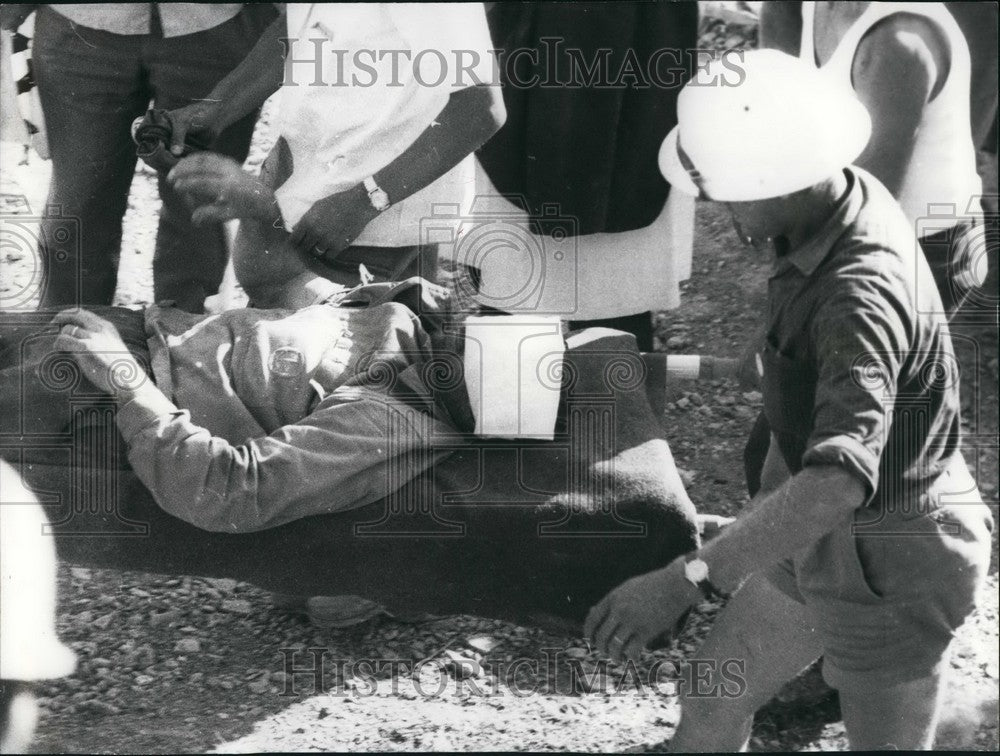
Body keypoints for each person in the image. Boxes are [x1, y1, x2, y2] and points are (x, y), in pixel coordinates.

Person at [584, 51, 993, 751]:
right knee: (711, 695)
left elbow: (838, 482)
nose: (718, 208)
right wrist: (738, 359)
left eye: (727, 191)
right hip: (814, 530)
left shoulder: (857, 293)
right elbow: (791, 363)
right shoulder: (836, 197)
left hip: (889, 556)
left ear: (778, 175)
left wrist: (689, 578)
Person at [161, 3, 503, 289]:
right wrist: (216, 109)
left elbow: (480, 107)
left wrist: (365, 200)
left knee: (362, 339)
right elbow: (296, 30)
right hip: (315, 193)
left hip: (366, 220)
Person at [0, 3, 278, 312]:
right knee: (77, 212)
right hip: (79, 21)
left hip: (220, 21)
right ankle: (67, 335)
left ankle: (188, 336)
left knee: (200, 211)